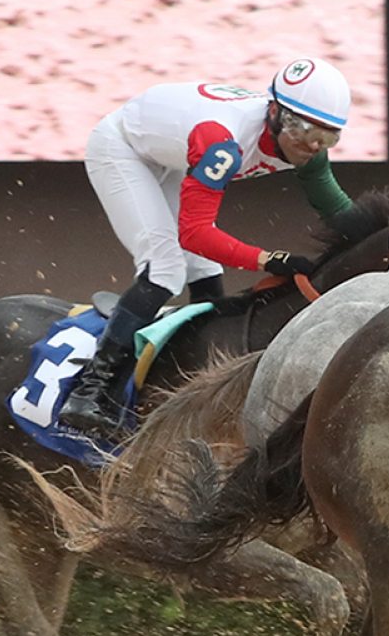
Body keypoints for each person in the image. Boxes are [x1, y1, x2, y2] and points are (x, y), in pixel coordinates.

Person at [58, 56, 356, 441]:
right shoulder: (222, 144)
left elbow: (339, 212)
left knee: (205, 273)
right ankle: (89, 392)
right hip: (123, 148)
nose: (313, 145)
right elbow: (195, 234)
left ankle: (194, 388)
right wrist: (267, 259)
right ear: (276, 113)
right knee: (166, 268)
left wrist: (388, 234)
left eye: (328, 136)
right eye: (304, 129)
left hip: (171, 153)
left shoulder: (307, 146)